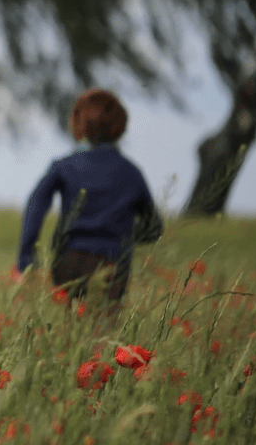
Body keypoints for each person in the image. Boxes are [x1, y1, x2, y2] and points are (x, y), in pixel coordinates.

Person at [15, 88, 162, 302]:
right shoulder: (131, 173)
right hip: (113, 263)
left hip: (68, 261)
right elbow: (153, 227)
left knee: (71, 326)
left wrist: (26, 260)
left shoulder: (64, 167)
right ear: (120, 126)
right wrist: (124, 236)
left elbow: (35, 206)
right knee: (103, 329)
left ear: (77, 123)